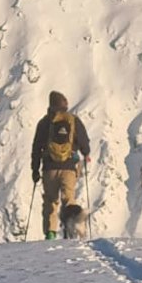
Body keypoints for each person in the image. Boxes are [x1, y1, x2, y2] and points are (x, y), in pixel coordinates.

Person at [31, 91, 91, 239]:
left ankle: (50, 233)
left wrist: (35, 170)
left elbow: (36, 147)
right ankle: (70, 231)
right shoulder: (73, 121)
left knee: (50, 201)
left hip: (49, 168)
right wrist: (86, 153)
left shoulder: (44, 123)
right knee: (69, 200)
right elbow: (84, 141)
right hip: (69, 168)